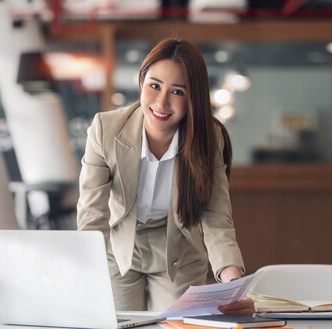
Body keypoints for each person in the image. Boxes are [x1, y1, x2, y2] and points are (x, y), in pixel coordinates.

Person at [77, 38, 254, 315]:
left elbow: (215, 217)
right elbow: (92, 214)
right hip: (119, 248)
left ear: (193, 96)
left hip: (180, 253)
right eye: (154, 86)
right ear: (141, 82)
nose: (161, 102)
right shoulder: (105, 129)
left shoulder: (209, 139)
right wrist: (86, 272)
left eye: (178, 92)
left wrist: (232, 281)